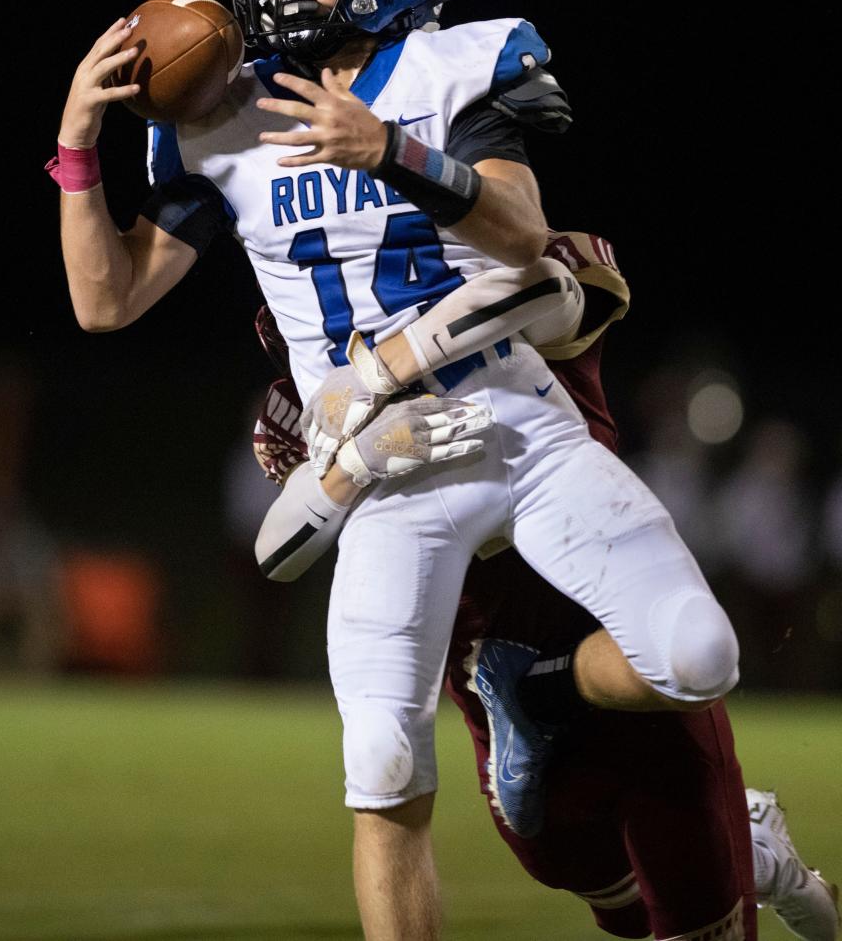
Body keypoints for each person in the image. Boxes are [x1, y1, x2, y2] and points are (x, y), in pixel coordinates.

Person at [53, 0, 740, 939]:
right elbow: (106, 300)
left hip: (513, 418)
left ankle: (544, 688)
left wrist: (390, 152)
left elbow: (521, 237)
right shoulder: (219, 117)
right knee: (381, 763)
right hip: (382, 464)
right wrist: (78, 144)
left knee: (700, 659)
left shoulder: (450, 69)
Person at [252, 236, 839, 941]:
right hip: (487, 674)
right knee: (600, 893)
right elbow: (281, 540)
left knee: (688, 712)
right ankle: (762, 853)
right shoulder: (308, 406)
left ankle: (556, 692)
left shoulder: (493, 283)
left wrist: (414, 347)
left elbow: (578, 281)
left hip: (594, 598)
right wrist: (358, 456)